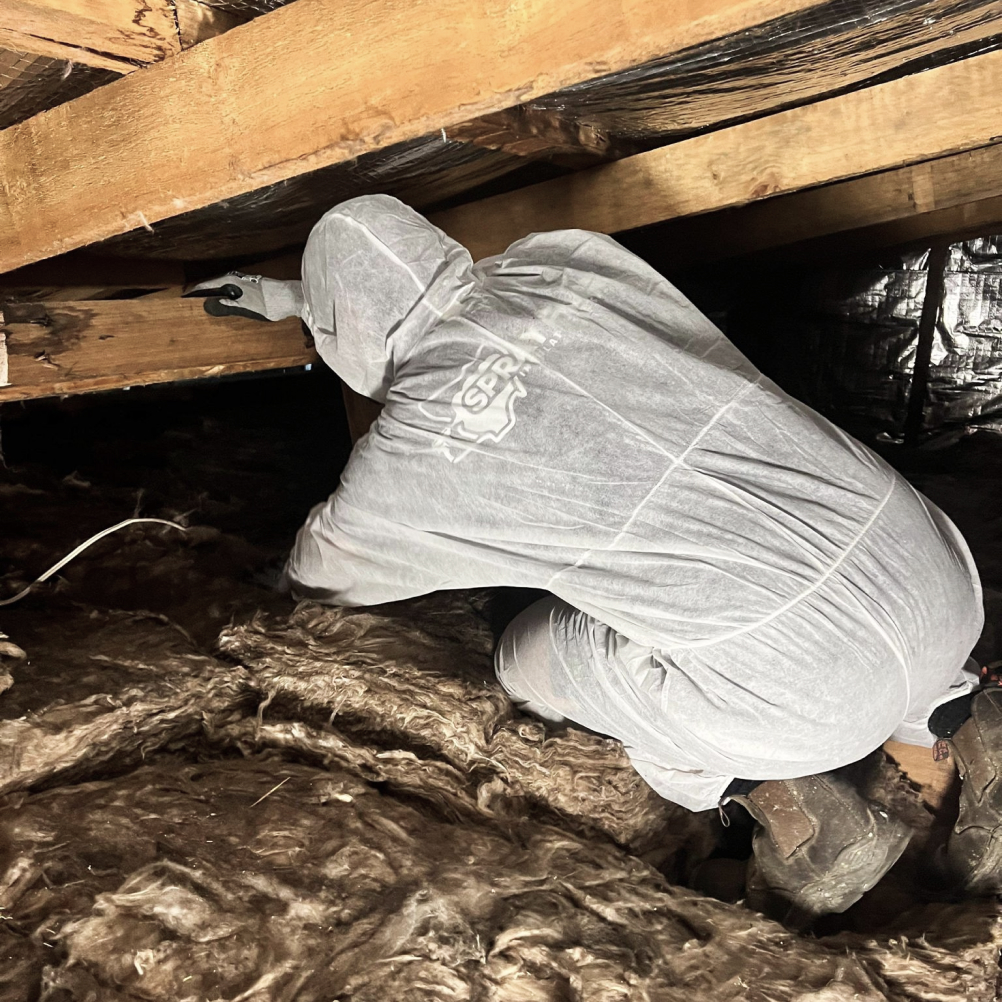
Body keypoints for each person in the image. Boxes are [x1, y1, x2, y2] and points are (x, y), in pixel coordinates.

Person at [188, 194, 994, 918]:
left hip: (802, 706)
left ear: (342, 334)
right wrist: (301, 299)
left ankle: (791, 805)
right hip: (933, 576)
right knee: (881, 628)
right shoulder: (565, 261)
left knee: (525, 657)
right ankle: (960, 725)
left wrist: (264, 583)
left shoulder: (408, 456)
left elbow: (326, 567)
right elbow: (449, 298)